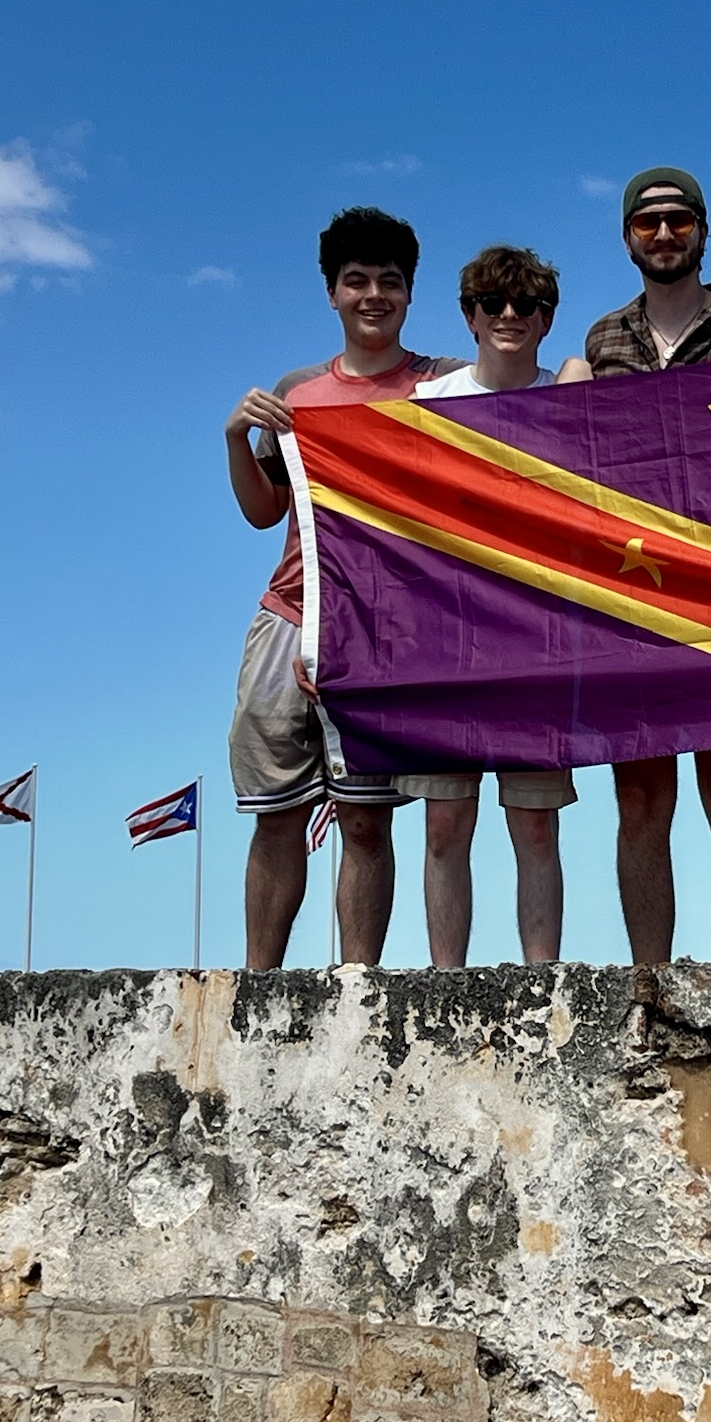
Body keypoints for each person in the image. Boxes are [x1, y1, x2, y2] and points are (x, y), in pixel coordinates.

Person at [223, 207, 460, 971]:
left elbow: (534, 392)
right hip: (289, 614)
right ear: (331, 292)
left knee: (365, 822)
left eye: (389, 282)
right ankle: (259, 982)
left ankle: (356, 986)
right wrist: (235, 437)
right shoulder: (298, 392)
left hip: (382, 630)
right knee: (276, 817)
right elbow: (265, 513)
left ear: (410, 293)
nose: (373, 296)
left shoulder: (440, 384)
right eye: (356, 281)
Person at [583, 168, 711, 967]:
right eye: (648, 224)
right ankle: (649, 984)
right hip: (629, 596)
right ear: (628, 236)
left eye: (678, 221)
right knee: (639, 800)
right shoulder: (602, 341)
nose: (663, 235)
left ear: (703, 230)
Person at [395, 246, 591, 969]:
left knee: (534, 826)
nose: (510, 316)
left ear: (545, 320)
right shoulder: (425, 406)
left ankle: (542, 983)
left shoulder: (570, 396)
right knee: (445, 823)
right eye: (493, 304)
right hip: (447, 641)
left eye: (527, 306)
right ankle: (446, 983)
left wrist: (578, 377)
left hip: (538, 642)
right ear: (470, 316)